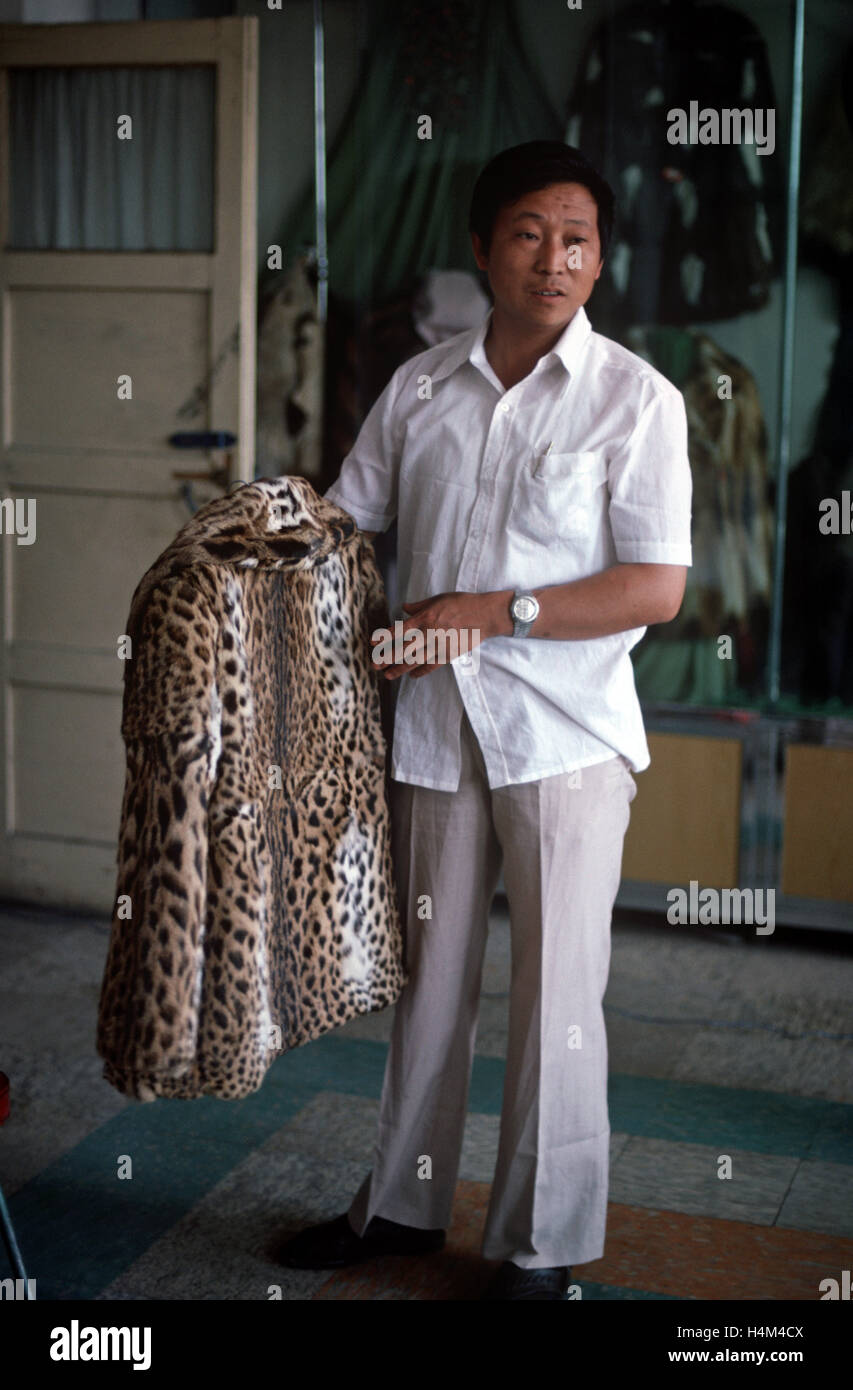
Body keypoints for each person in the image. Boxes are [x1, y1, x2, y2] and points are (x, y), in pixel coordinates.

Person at [276, 141, 692, 1300]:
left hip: (565, 737)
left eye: (578, 240)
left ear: (598, 259)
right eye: (527, 234)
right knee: (429, 983)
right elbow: (345, 521)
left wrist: (489, 610)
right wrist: (259, 549)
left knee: (558, 997)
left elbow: (656, 587)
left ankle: (540, 1245)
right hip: (432, 733)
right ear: (479, 248)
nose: (555, 260)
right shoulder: (418, 389)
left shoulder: (636, 402)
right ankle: (401, 1208)